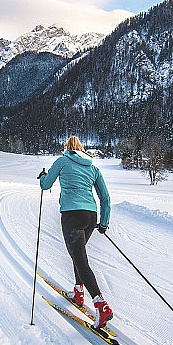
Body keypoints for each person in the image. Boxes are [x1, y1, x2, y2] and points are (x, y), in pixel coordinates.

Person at [38, 136, 113, 329]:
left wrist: (43, 177)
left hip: (72, 215)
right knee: (78, 255)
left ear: (67, 148)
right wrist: (103, 222)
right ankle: (79, 291)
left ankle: (100, 304)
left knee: (80, 259)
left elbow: (46, 185)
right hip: (91, 215)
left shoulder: (62, 160)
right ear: (81, 149)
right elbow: (105, 197)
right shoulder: (93, 167)